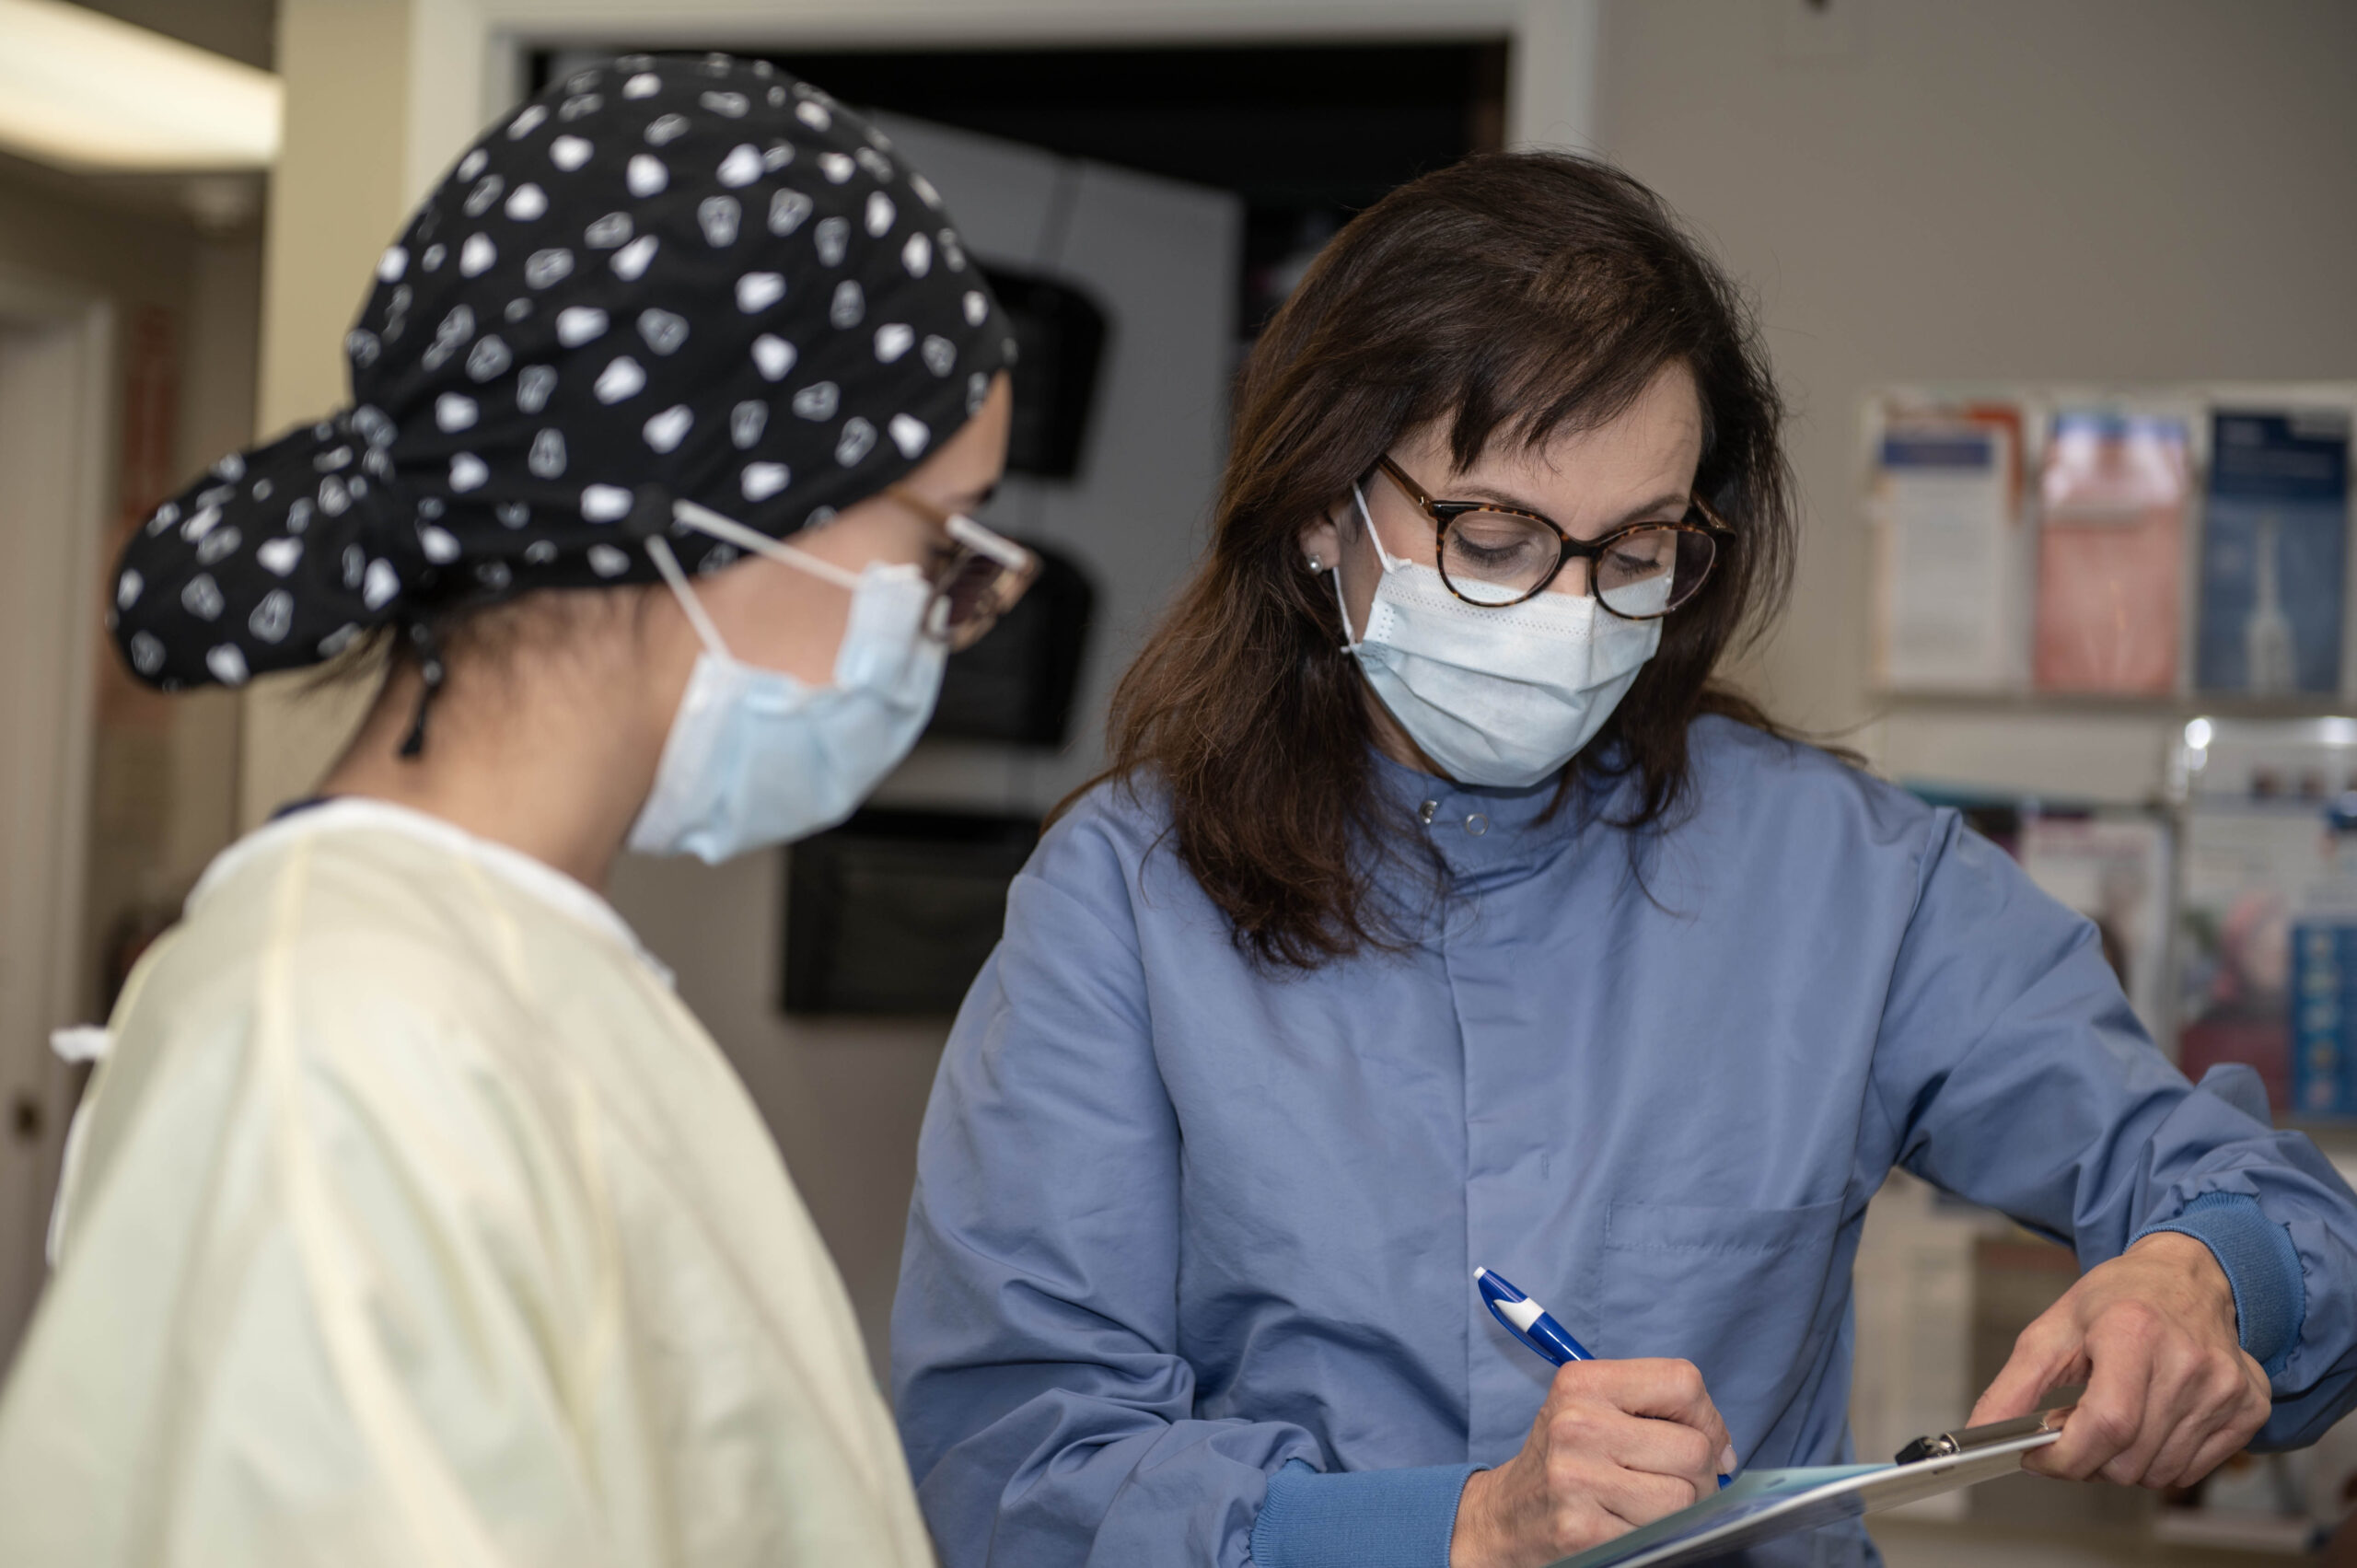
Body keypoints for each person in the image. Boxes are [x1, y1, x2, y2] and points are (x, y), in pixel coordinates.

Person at [889, 152, 2357, 1568]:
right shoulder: (1127, 902)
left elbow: (2291, 1223)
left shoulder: (1846, 880)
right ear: (1319, 516)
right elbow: (1012, 1467)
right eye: (1498, 536)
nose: (1574, 613)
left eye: (1638, 546)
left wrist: (2207, 1275)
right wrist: (1452, 1533)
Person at [0, 53, 1032, 1566]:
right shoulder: (343, 1039)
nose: (941, 619)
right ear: (711, 508)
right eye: (937, 547)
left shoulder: (509, 975)